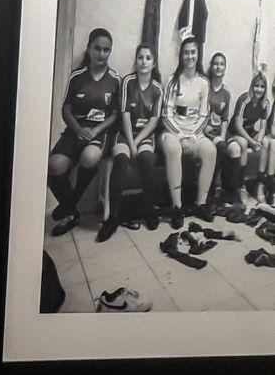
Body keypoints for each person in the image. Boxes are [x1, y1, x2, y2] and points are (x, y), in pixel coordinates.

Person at [47, 28, 119, 236]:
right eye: (97, 48)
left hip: (99, 134)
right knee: (54, 166)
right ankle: (72, 209)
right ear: (89, 49)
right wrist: (78, 129)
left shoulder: (114, 79)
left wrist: (95, 130)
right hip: (74, 132)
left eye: (106, 50)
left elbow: (115, 115)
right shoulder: (77, 76)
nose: (101, 54)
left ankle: (70, 204)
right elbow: (65, 109)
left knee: (90, 157)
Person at [98, 43, 163, 241]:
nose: (144, 62)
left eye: (148, 58)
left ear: (153, 63)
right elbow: (125, 115)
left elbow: (153, 121)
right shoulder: (128, 82)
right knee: (121, 160)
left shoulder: (157, 88)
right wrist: (131, 143)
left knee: (147, 160)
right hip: (124, 133)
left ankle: (149, 209)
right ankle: (113, 217)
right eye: (140, 57)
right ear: (136, 60)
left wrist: (138, 141)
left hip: (143, 134)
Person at [160, 34, 213, 229]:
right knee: (173, 147)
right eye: (186, 53)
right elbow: (166, 114)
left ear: (198, 55)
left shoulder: (204, 83)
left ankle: (201, 204)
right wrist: (181, 135)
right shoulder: (172, 81)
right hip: (173, 133)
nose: (189, 56)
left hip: (194, 133)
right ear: (181, 56)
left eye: (193, 52)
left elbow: (204, 114)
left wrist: (192, 135)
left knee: (210, 150)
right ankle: (177, 207)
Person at [226, 70, 270, 212]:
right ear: (252, 86)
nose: (259, 89)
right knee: (244, 144)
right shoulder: (244, 99)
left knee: (263, 143)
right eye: (256, 86)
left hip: (249, 132)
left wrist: (258, 140)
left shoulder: (265, 103)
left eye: (262, 87)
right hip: (234, 132)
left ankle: (260, 183)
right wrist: (251, 142)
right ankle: (241, 185)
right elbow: (238, 126)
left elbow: (263, 127)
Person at [203, 51, 234, 219]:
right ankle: (212, 191)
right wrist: (207, 130)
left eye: (222, 64)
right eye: (216, 63)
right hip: (204, 130)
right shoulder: (204, 86)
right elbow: (200, 113)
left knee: (231, 147)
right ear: (211, 66)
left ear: (225, 68)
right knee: (221, 147)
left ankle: (230, 192)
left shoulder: (226, 93)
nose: (218, 66)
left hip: (218, 132)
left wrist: (222, 134)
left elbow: (225, 118)